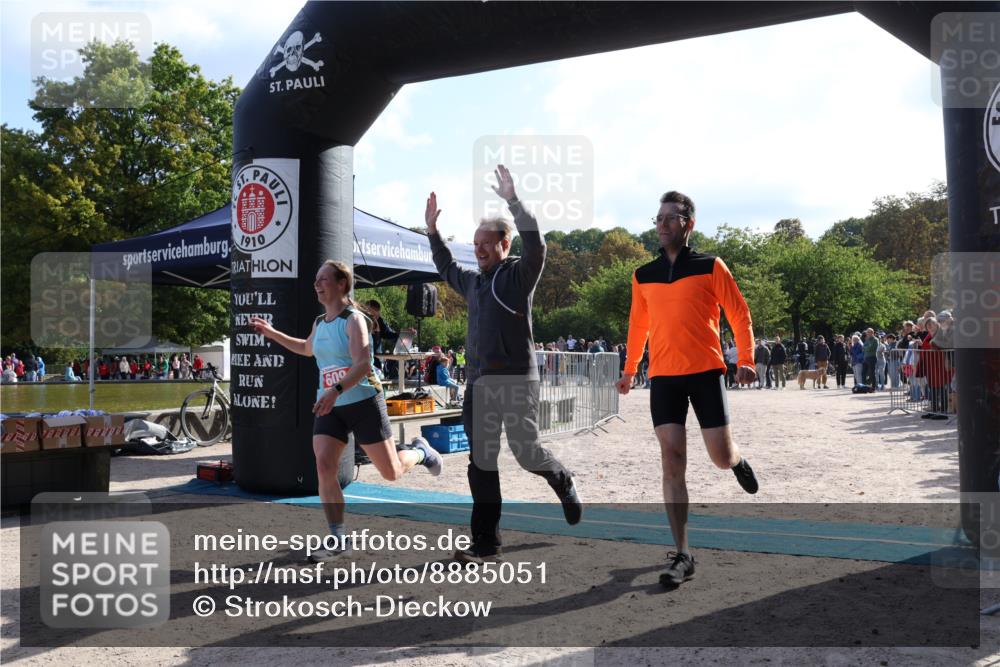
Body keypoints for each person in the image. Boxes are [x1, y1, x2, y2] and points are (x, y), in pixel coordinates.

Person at [425, 164, 581, 565]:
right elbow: (445, 266)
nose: (477, 249)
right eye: (475, 243)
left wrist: (513, 201)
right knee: (481, 462)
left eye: (485, 243)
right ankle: (486, 543)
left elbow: (538, 246)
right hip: (479, 384)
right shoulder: (473, 282)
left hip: (516, 382)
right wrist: (432, 232)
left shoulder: (518, 276)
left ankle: (561, 478)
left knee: (527, 453)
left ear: (504, 244)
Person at [251, 260, 443, 562]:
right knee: (324, 466)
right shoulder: (320, 322)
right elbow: (306, 348)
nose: (317, 284)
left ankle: (421, 452)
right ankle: (338, 538)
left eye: (323, 279)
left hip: (363, 401)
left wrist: (335, 390)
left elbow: (364, 364)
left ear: (342, 284)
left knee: (391, 472)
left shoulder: (355, 320)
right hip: (330, 405)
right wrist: (272, 333)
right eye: (316, 279)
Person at [616, 189, 758, 588]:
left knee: (719, 456)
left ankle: (737, 460)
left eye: (668, 218)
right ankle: (683, 552)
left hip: (706, 372)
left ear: (687, 224)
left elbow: (739, 313)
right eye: (657, 218)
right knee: (672, 459)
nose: (660, 224)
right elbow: (637, 326)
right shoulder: (643, 274)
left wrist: (745, 359)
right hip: (664, 377)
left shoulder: (711, 266)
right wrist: (630, 370)